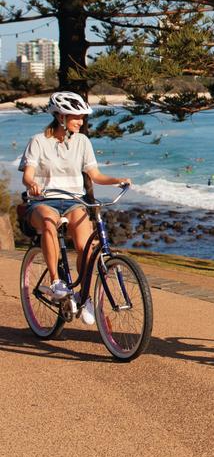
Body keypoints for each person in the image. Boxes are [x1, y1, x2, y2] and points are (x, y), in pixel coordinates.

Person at [19, 91, 132, 326]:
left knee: (86, 248)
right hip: (43, 201)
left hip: (73, 201)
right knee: (49, 223)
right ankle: (55, 282)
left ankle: (84, 296)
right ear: (60, 117)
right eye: (76, 117)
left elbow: (95, 175)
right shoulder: (38, 141)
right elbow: (28, 176)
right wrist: (33, 184)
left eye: (82, 117)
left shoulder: (82, 141)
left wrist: (117, 180)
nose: (81, 122)